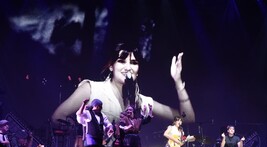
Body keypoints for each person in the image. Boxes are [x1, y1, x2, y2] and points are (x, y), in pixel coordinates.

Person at [51, 43, 195, 127]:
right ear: (111, 66)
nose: (128, 67)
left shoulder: (141, 102)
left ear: (138, 70)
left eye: (133, 63)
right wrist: (78, 130)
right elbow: (58, 116)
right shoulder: (91, 89)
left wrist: (178, 82)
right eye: (121, 61)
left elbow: (187, 119)